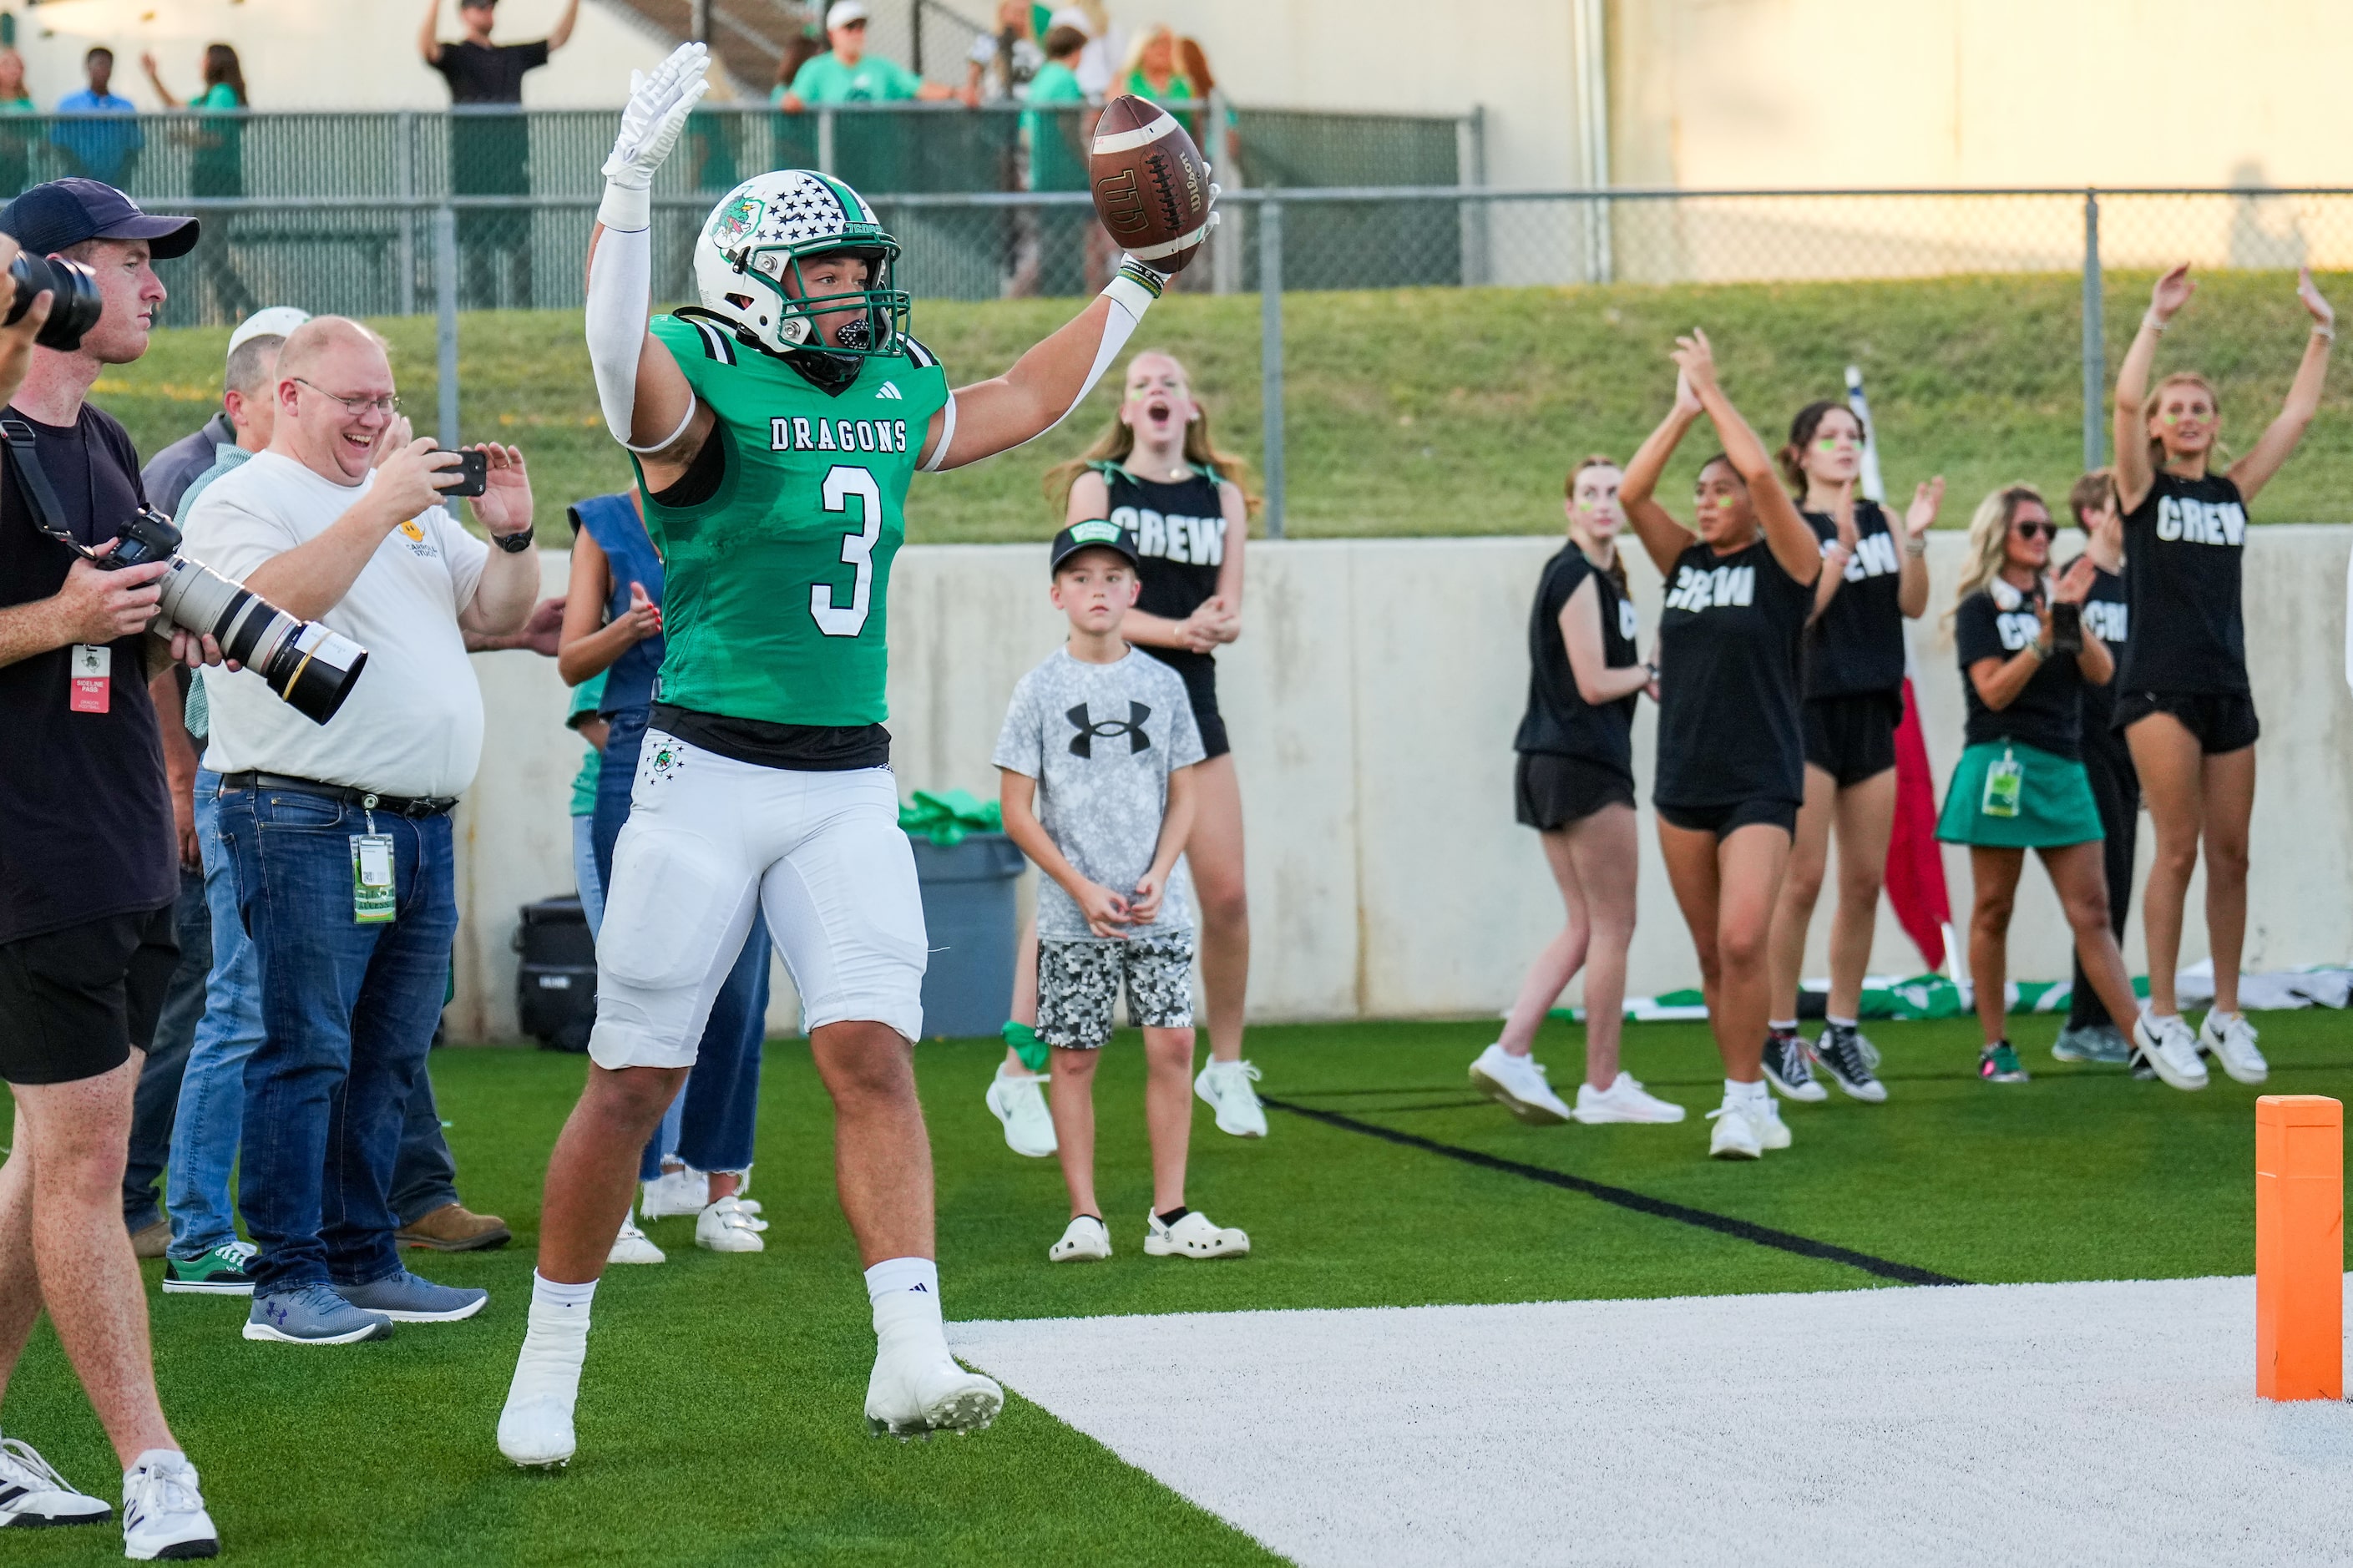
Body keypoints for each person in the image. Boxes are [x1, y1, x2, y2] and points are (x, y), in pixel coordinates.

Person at [498, 42, 1211, 1467]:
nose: (856, 292)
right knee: (632, 1080)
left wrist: (1133, 286)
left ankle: (907, 1349)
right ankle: (550, 1357)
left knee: (871, 1055)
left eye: (855, 269)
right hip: (702, 771)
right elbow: (606, 349)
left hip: (842, 780)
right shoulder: (696, 371)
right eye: (828, 272)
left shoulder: (881, 381)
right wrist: (625, 184)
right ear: (760, 278)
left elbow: (1015, 402)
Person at [183, 316, 539, 1344]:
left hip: (415, 826)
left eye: (384, 401)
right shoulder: (244, 497)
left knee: (385, 1056)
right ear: (290, 397)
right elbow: (249, 613)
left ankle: (365, 1260)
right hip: (298, 814)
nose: (376, 418)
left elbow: (500, 615)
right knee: (306, 1053)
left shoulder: (409, 505)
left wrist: (511, 534)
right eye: (356, 401)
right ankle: (285, 1283)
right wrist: (380, 505)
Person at [0, 178, 221, 1553]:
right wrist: (65, 613)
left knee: (44, 1167)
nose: (154, 287)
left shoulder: (113, 436)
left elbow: (100, 634)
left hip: (121, 840)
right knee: (82, 1166)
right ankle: (156, 1465)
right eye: (132, 264)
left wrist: (156, 628)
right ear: (57, 282)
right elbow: (48, 622)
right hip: (33, 856)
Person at [996, 521, 1249, 1264]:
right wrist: (1079, 889)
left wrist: (1161, 873)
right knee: (1074, 1056)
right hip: (1074, 919)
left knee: (1173, 1043)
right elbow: (1017, 811)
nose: (1097, 590)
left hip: (1155, 910)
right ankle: (1086, 1216)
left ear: (1135, 592)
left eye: (1112, 578)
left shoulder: (1163, 685)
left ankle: (1169, 1214)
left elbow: (1186, 796)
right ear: (1056, 594)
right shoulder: (1038, 690)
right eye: (1081, 578)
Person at [2111, 265, 2333, 1087]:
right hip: (2157, 691)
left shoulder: (2233, 495)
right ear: (2162, 432)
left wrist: (2321, 331)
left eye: (2200, 408)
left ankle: (2225, 1012)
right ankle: (2160, 1014)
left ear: (2213, 425)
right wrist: (2154, 322)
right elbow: (2125, 404)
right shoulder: (2140, 492)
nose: (2188, 417)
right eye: (2177, 410)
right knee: (2174, 849)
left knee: (2230, 853)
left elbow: (2297, 414)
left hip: (2225, 688)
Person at [1617, 331, 1821, 1161]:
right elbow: (1633, 494)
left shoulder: (1788, 562)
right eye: (1700, 491)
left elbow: (1768, 476)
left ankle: (1742, 1102)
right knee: (1711, 952)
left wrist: (1714, 388)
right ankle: (1745, 1097)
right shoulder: (1685, 563)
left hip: (1760, 781)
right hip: (1682, 780)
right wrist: (1678, 409)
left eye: (1719, 491)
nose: (1705, 502)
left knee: (1745, 939)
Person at [557, 488, 771, 1262]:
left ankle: (722, 1190)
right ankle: (620, 1205)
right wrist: (630, 627)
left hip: (745, 741)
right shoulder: (604, 526)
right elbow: (571, 659)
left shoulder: (754, 498)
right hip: (642, 747)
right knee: (639, 978)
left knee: (742, 988)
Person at [1470, 455, 1683, 1126]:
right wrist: (1646, 669)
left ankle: (1511, 1050)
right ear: (1569, 508)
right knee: (1616, 924)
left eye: (1612, 492)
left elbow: (1612, 676)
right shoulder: (1575, 575)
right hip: (1581, 763)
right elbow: (1594, 683)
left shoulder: (1607, 581)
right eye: (1588, 493)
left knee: (1587, 925)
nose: (1601, 502)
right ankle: (1602, 1085)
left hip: (1554, 760)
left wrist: (1646, 674)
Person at [1935, 484, 2149, 1086]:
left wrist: (2068, 619)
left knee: (2093, 909)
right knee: (1993, 908)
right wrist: (2040, 638)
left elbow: (2102, 673)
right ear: (1999, 536)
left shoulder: (2059, 596)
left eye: (2049, 531)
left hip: (2062, 764)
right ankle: (1995, 1045)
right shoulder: (1981, 607)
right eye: (2030, 529)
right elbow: (1993, 691)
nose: (2043, 539)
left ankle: (2138, 1040)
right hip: (2001, 763)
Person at [1760, 404, 1941, 1105]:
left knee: (1863, 881)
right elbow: (1798, 613)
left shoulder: (1882, 517)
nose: (1845, 445)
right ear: (1800, 453)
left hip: (1872, 711)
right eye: (1829, 437)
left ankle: (1840, 1029)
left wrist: (1917, 541)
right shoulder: (1790, 523)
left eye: (1853, 436)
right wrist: (1833, 548)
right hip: (1807, 713)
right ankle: (1780, 1036)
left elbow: (1914, 606)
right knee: (1801, 879)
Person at [2051, 470, 2138, 1066]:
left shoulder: (2139, 586)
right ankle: (2086, 1022)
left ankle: (2098, 1017)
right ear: (2090, 515)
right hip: (2084, 748)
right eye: (2117, 505)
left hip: (2128, 748)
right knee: (2099, 887)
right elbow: (2062, 661)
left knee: (2121, 882)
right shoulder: (2074, 582)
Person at [420, 0, 581, 310]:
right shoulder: (457, 56)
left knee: (520, 248)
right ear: (464, 14)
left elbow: (558, 39)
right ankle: (485, 313)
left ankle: (524, 313)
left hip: (512, 169)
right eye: (480, 6)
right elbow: (427, 49)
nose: (487, 12)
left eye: (491, 6)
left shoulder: (512, 56)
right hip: (472, 170)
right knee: (478, 254)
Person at [139, 44, 256, 321]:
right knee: (211, 252)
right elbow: (176, 106)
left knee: (211, 251)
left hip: (218, 182)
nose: (199, 63)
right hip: (206, 181)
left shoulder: (223, 94)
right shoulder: (209, 97)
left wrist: (183, 139)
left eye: (203, 59)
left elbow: (215, 137)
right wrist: (154, 76)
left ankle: (249, 309)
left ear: (215, 63)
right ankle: (234, 312)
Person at [1013, 23, 1093, 299]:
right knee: (1065, 244)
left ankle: (1044, 292)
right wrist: (1087, 163)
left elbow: (1025, 132)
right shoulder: (1066, 80)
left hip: (1041, 175)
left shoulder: (1041, 78)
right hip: (1065, 175)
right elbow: (1070, 128)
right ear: (1076, 51)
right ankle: (1061, 293)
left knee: (1047, 241)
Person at [776, 2, 975, 112]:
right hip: (834, 162)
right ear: (832, 34)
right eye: (850, 27)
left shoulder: (881, 68)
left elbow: (919, 87)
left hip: (877, 163)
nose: (857, 33)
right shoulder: (816, 69)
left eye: (861, 27)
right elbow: (793, 100)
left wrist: (956, 93)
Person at [51, 48, 143, 189]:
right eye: (99, 64)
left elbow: (133, 146)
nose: (104, 69)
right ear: (88, 66)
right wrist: (80, 173)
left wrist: (123, 176)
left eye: (108, 65)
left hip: (114, 183)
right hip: (77, 183)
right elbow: (61, 144)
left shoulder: (125, 106)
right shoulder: (70, 104)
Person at [966, 0, 1044, 104]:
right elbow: (974, 74)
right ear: (1003, 12)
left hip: (1026, 104)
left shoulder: (1032, 47)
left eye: (1024, 13)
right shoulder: (988, 41)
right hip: (996, 105)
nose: (1020, 18)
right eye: (1016, 12)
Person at [0, 50, 37, 200]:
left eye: (17, 67)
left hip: (18, 165)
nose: (13, 71)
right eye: (7, 66)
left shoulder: (27, 104)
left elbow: (36, 134)